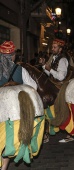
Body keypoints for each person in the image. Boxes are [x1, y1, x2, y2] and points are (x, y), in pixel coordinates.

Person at [0, 41, 37, 170]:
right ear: (13, 55)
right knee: (9, 138)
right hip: (15, 110)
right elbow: (34, 86)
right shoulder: (20, 69)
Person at [42, 38, 70, 143]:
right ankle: (47, 130)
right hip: (52, 83)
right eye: (52, 47)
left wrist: (50, 70)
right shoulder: (53, 57)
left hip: (60, 86)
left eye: (55, 47)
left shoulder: (62, 60)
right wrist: (44, 66)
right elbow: (49, 74)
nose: (52, 49)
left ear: (60, 49)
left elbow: (61, 76)